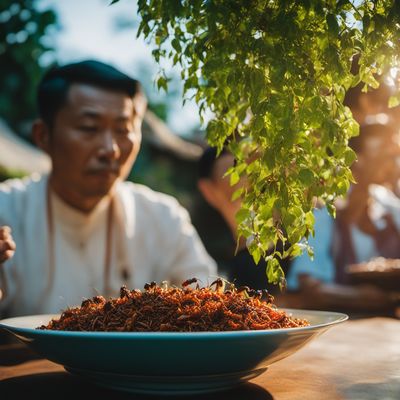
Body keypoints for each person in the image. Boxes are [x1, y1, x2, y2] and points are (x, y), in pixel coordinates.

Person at [0, 60, 216, 317]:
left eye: (123, 130)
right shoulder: (7, 211)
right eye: (89, 128)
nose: (110, 149)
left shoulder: (163, 218)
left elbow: (212, 304)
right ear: (43, 136)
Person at [286, 122, 400, 314]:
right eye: (381, 153)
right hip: (340, 328)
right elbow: (312, 289)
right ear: (355, 159)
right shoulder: (325, 208)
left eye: (393, 154)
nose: (391, 161)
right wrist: (364, 298)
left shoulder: (387, 202)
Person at [193, 146, 290, 292]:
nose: (247, 178)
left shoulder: (290, 240)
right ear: (208, 190)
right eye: (234, 170)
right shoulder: (202, 248)